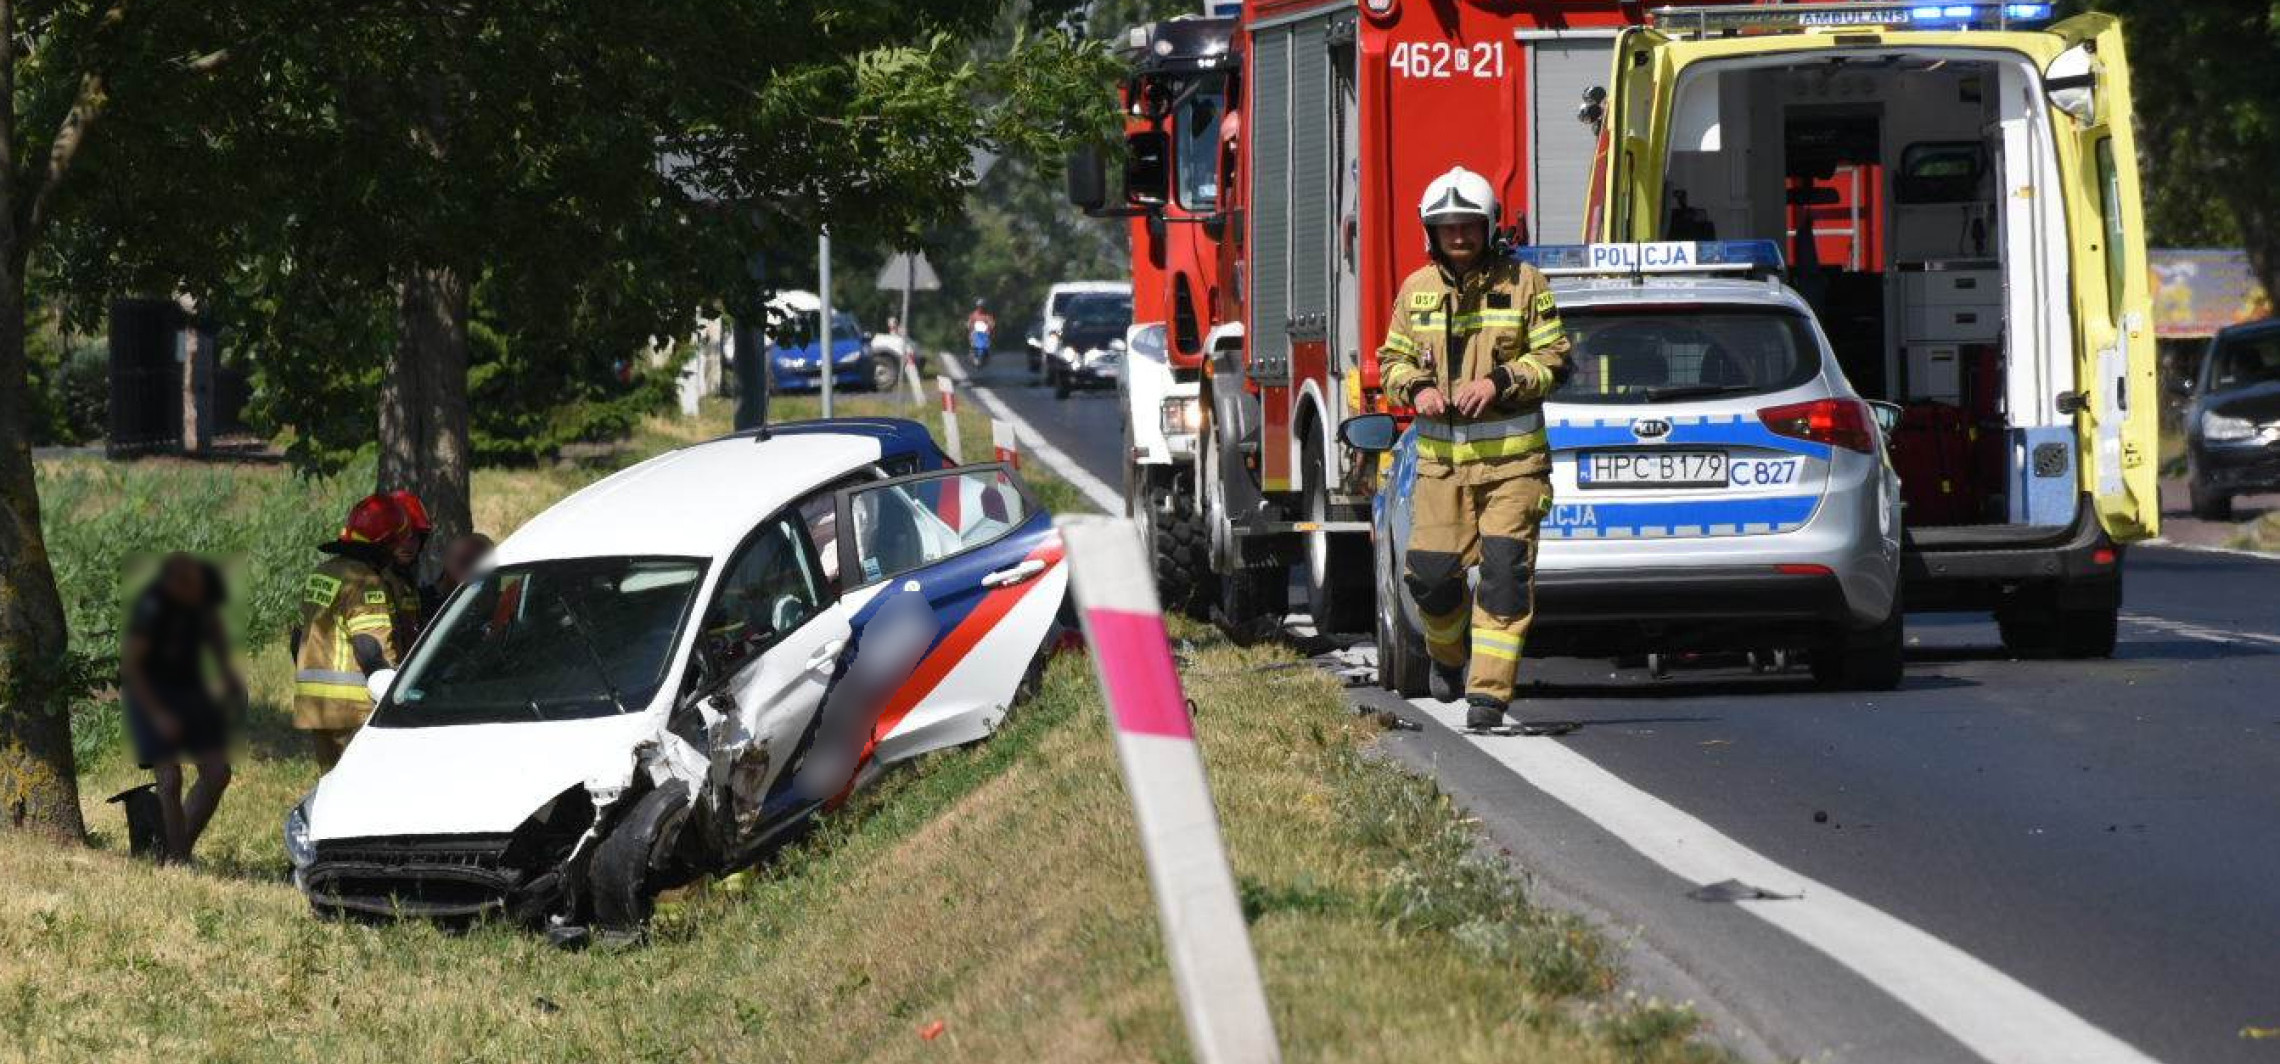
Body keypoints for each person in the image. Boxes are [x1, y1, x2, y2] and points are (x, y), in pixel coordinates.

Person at [1376, 165, 1573, 731]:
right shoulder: (1415, 291)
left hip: (1515, 467)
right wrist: (1415, 388)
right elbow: (1392, 359)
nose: (1458, 237)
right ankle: (1446, 654)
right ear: (1430, 232)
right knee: (1431, 578)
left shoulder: (1525, 282)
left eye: (1468, 226)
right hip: (1441, 467)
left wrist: (1500, 382)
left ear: (1489, 227)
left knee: (1504, 578)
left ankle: (1488, 696)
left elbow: (1554, 358)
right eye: (1447, 227)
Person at [120, 554, 243, 863]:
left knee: (217, 772)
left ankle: (175, 849)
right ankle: (177, 861)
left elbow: (215, 638)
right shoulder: (152, 610)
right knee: (170, 779)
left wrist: (230, 679)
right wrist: (158, 714)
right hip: (149, 693)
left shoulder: (202, 604)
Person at [293, 494, 414, 768]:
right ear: (385, 544)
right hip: (355, 709)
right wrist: (390, 696)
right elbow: (368, 646)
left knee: (329, 787)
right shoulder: (365, 582)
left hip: (316, 706)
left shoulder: (323, 573)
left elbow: (297, 637)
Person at [386, 489, 433, 644]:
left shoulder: (406, 580)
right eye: (402, 536)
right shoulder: (375, 580)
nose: (408, 544)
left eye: (415, 537)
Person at [419, 531, 493, 627]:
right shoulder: (421, 603)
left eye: (483, 565)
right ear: (447, 561)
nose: (473, 571)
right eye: (465, 562)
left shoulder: (498, 602)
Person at [966, 299, 995, 367]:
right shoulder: (974, 315)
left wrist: (990, 326)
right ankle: (972, 354)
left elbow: (991, 323)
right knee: (972, 342)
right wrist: (969, 326)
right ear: (977, 307)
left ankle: (986, 355)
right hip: (975, 333)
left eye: (982, 306)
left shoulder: (987, 316)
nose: (980, 308)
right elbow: (970, 322)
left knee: (987, 343)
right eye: (979, 306)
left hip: (984, 333)